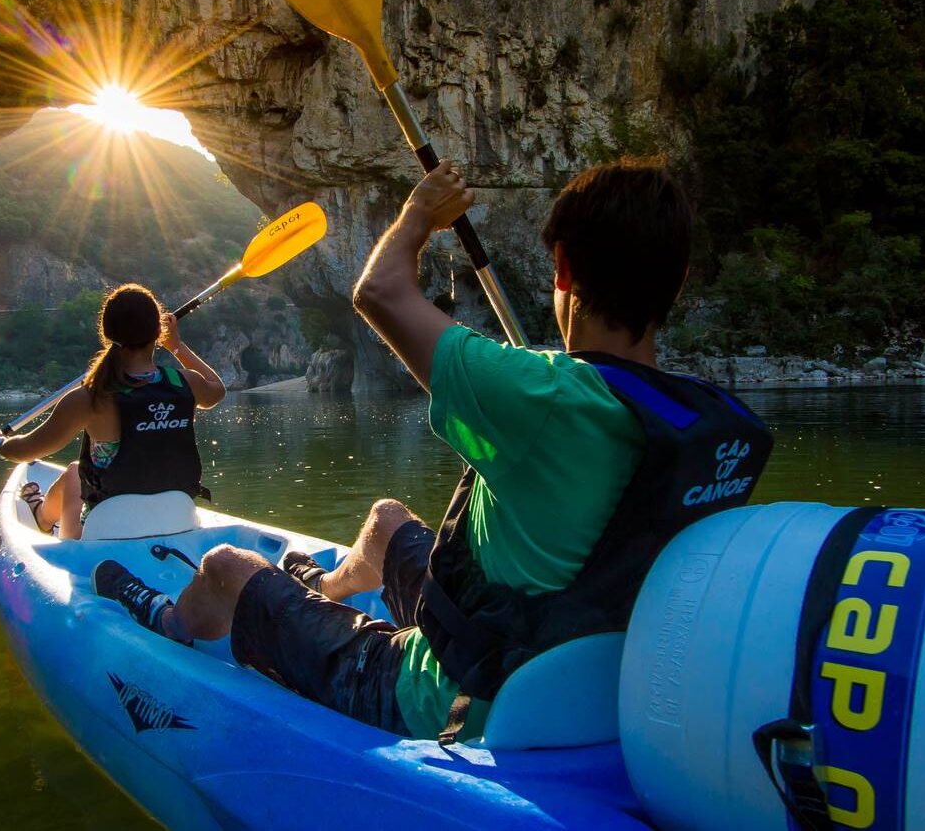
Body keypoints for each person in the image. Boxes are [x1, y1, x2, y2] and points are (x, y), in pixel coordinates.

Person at [94, 157, 774, 742]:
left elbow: (380, 290)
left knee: (225, 566)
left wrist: (419, 212)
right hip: (565, 661)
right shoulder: (702, 424)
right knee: (389, 522)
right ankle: (322, 588)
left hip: (453, 697)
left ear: (563, 269)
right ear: (676, 282)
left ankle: (170, 619)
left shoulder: (543, 395)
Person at [0, 283, 226, 540]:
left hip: (107, 531)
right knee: (76, 472)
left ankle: (43, 517)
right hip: (179, 521)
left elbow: (26, 451)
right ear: (158, 332)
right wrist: (176, 346)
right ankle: (43, 515)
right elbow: (217, 390)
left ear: (106, 333)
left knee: (76, 472)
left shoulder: (90, 397)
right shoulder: (186, 383)